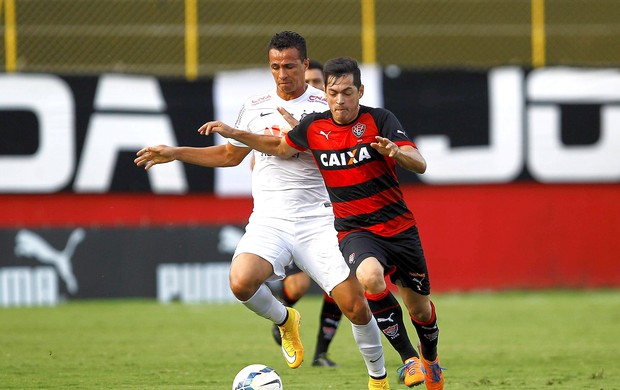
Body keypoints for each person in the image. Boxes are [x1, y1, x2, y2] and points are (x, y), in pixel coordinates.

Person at [135, 33, 390, 390]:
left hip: (319, 219)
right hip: (270, 219)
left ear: (305, 64)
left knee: (357, 307)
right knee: (241, 282)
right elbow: (229, 155)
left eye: (289, 65)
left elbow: (297, 149)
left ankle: (378, 379)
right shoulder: (255, 105)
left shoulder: (325, 105)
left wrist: (248, 133)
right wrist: (176, 152)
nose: (282, 74)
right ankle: (287, 320)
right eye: (275, 67)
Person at [198, 56, 445, 390]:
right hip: (354, 229)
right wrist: (235, 133)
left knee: (421, 310)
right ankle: (408, 361)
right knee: (370, 278)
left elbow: (420, 163)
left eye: (346, 92)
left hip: (398, 227)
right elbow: (278, 147)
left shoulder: (381, 120)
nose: (340, 100)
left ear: (360, 91)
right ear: (325, 93)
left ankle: (429, 356)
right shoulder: (313, 127)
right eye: (333, 93)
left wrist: (396, 152)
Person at [266, 58, 344, 368]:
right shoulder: (282, 120)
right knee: (299, 286)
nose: (310, 87)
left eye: (316, 83)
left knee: (340, 285)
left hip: (329, 212)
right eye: (308, 81)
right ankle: (283, 316)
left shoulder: (330, 121)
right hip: (292, 216)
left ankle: (321, 353)